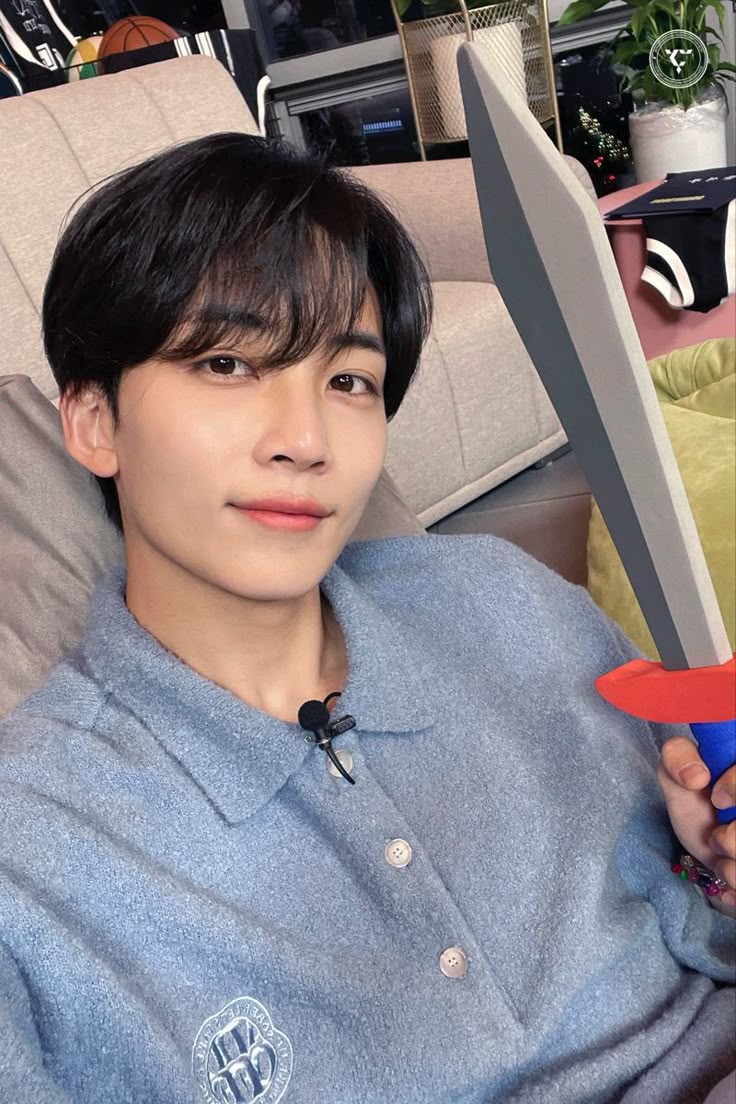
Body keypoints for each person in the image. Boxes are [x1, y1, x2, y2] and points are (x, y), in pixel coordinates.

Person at [0, 132, 733, 1104]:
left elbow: (703, 894)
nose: (306, 440)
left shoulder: (505, 602)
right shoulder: (34, 858)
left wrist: (712, 866)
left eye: (348, 380)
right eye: (227, 362)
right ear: (94, 420)